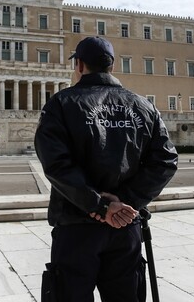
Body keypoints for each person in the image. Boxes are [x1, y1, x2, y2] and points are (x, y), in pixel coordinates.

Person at [34, 36, 178, 302]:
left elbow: (57, 165)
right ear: (112, 66)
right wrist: (124, 202)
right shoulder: (145, 106)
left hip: (76, 225)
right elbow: (166, 160)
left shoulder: (61, 104)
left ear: (79, 65)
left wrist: (99, 206)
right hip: (126, 225)